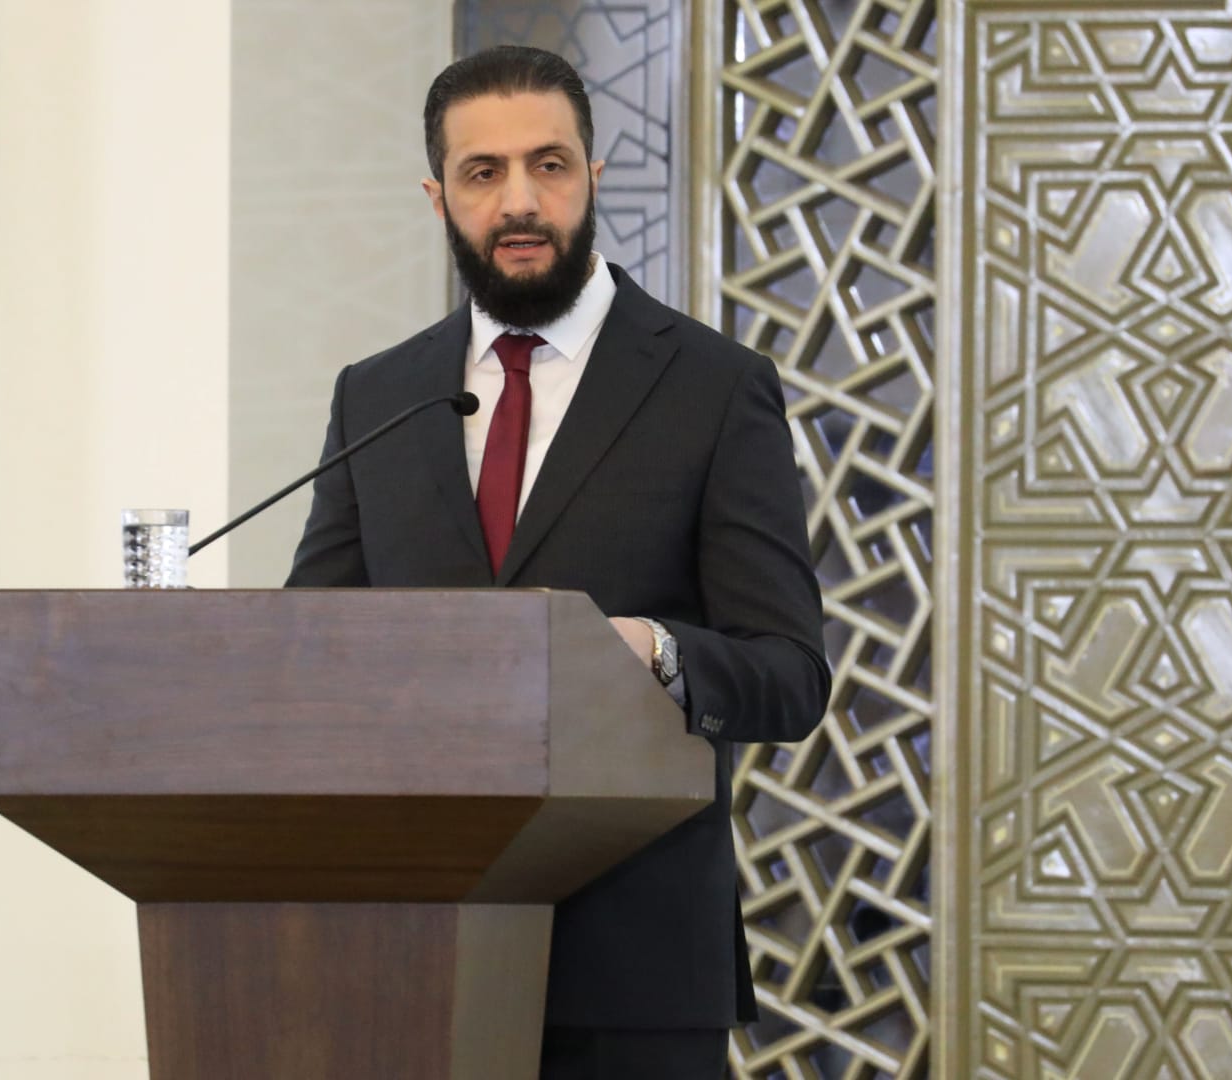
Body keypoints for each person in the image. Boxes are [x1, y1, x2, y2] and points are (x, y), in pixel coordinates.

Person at [286, 44, 830, 1079]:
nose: (520, 201)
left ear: (592, 174)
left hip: (636, 972)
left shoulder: (716, 387)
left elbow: (791, 677)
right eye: (483, 172)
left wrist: (652, 652)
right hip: (402, 960)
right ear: (438, 196)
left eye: (549, 164)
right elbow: (310, 655)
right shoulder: (378, 396)